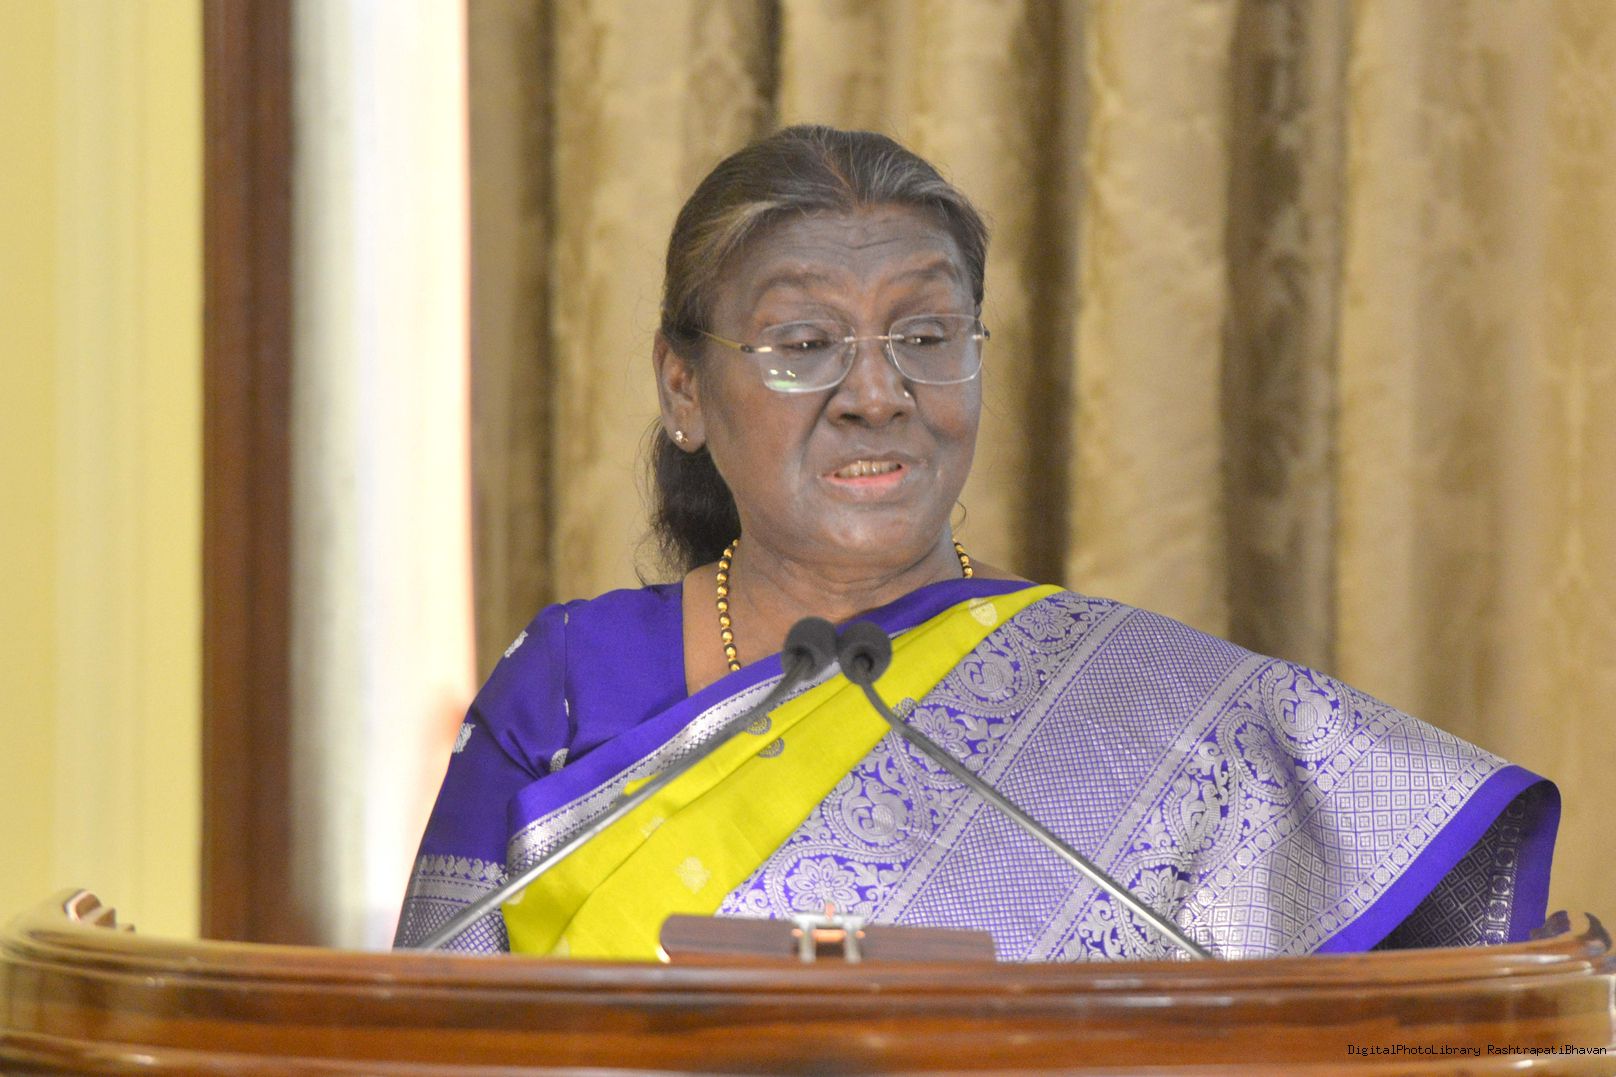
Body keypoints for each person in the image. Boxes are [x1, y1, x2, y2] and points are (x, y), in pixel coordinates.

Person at [393, 125, 1557, 961]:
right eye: (802, 345)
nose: (875, 395)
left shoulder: (1133, 710)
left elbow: (1408, 987)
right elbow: (428, 1035)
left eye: (925, 335)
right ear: (683, 388)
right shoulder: (565, 686)